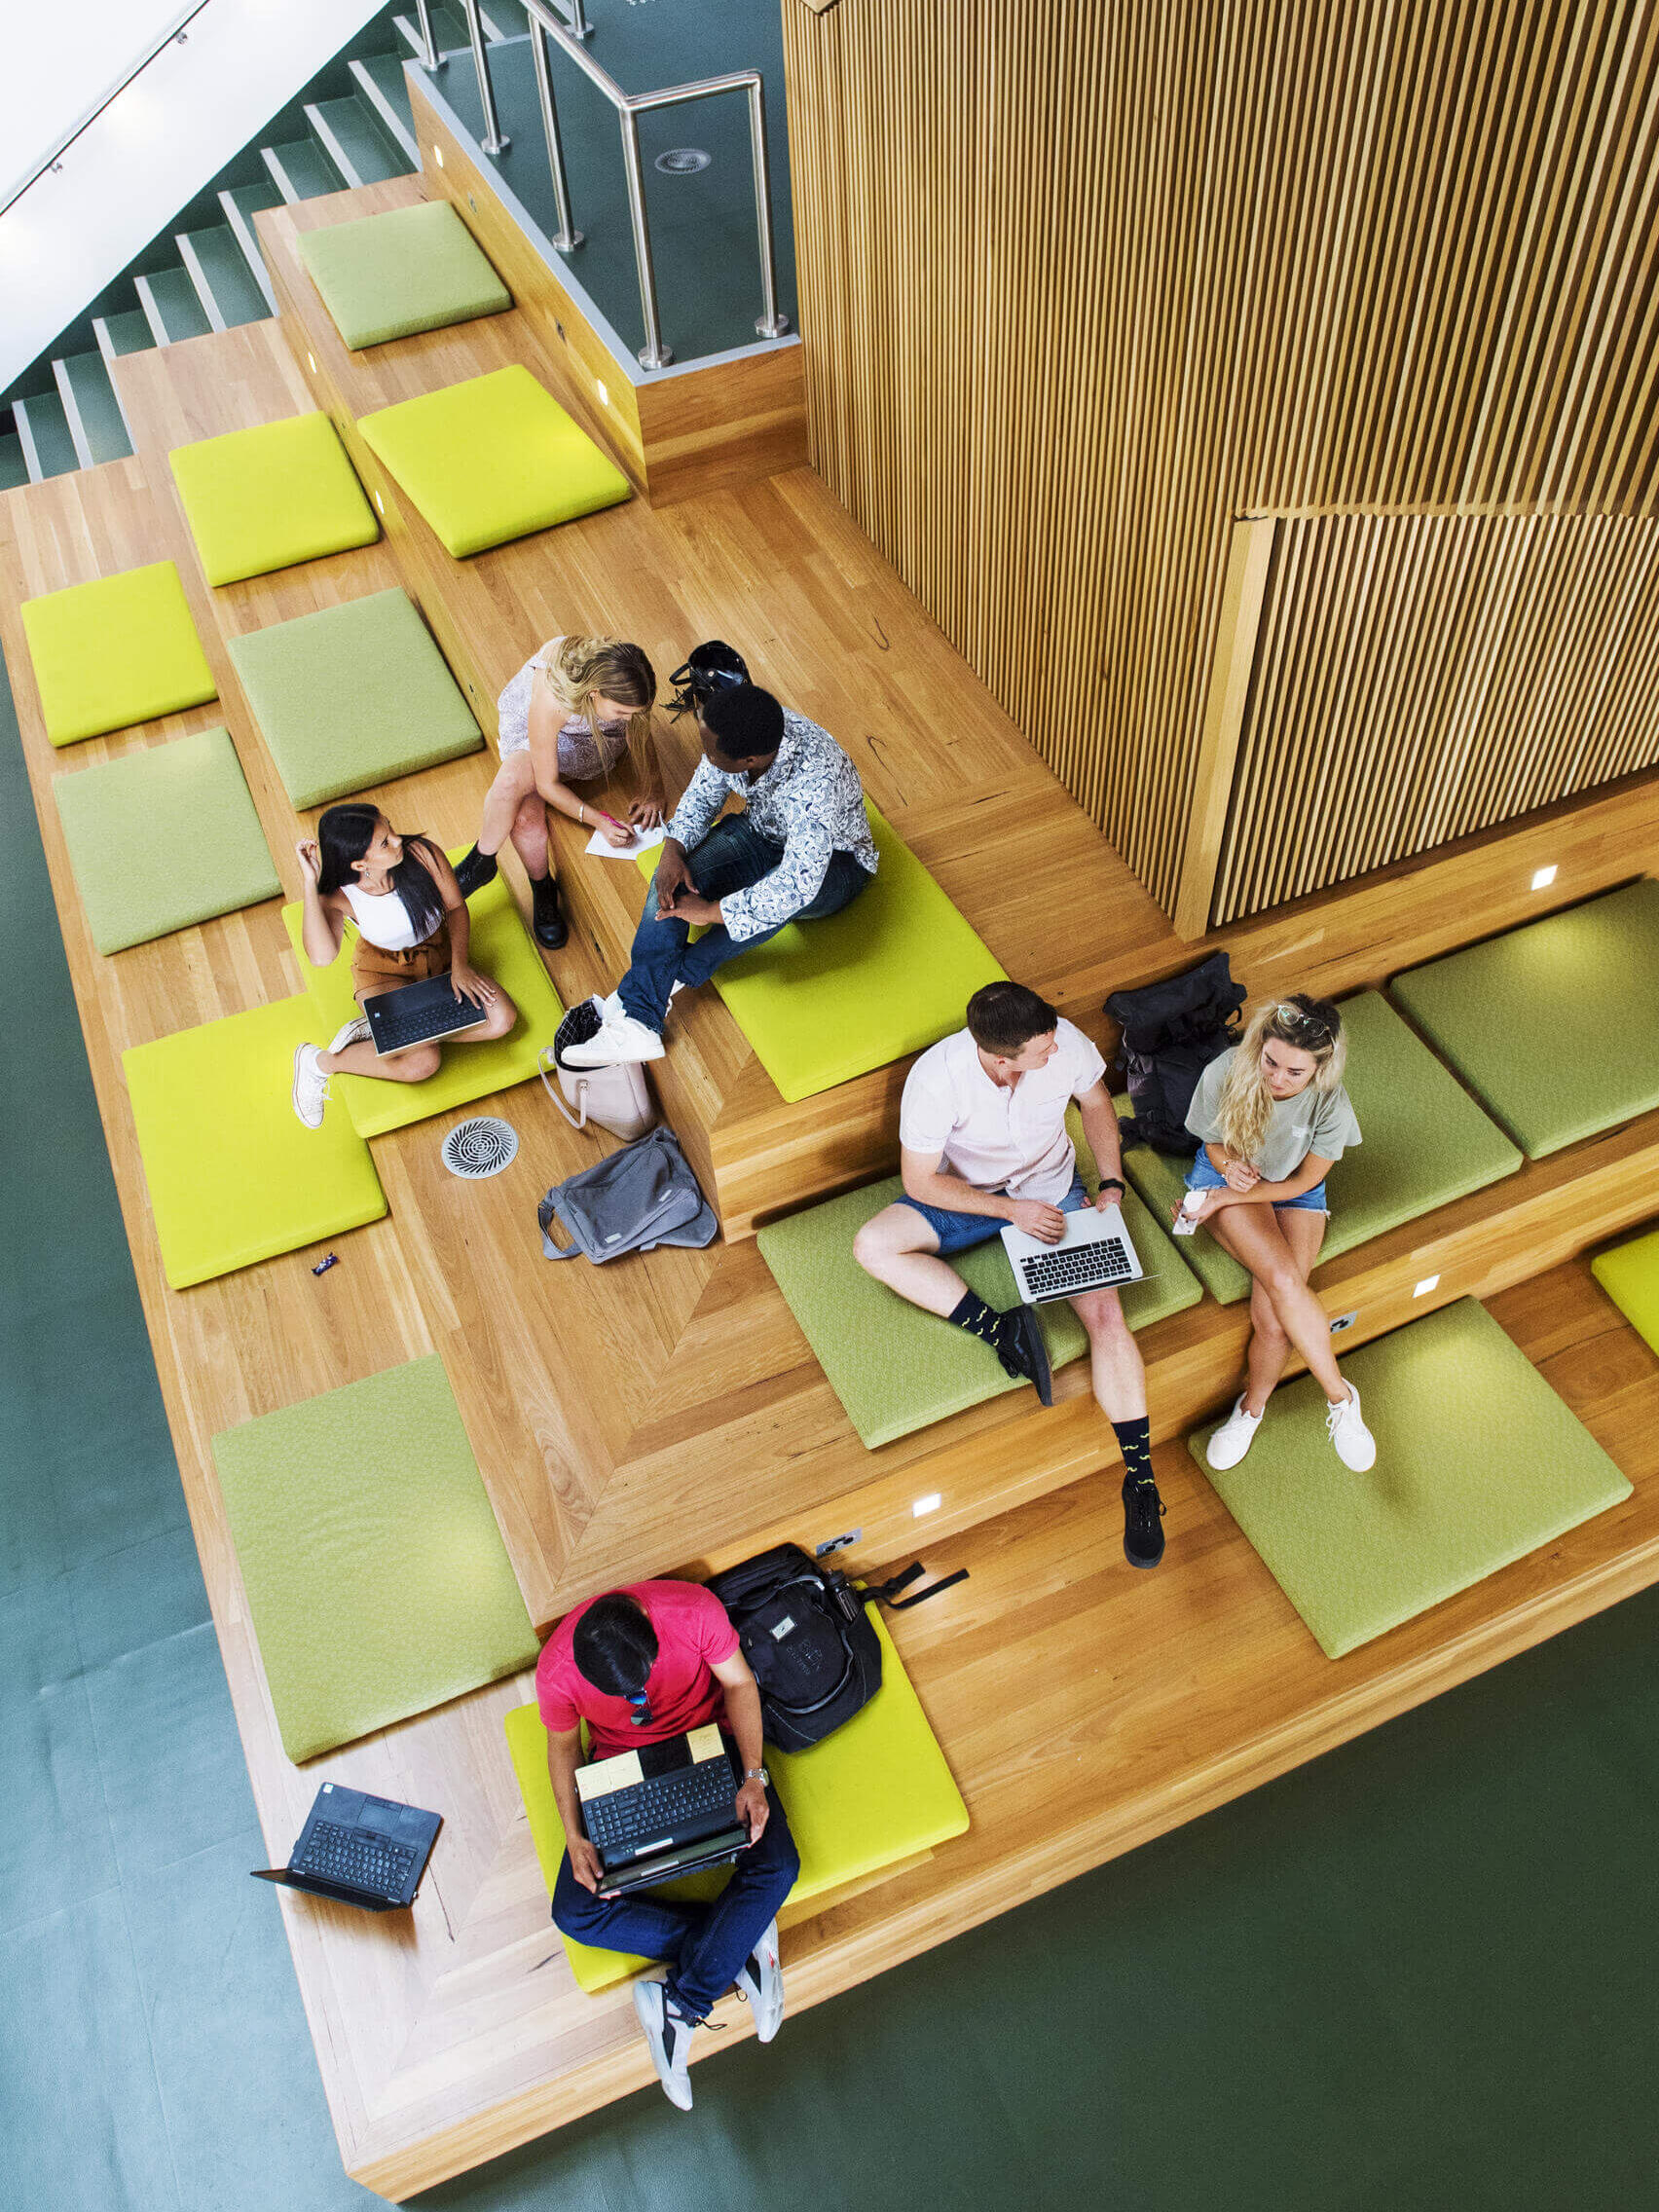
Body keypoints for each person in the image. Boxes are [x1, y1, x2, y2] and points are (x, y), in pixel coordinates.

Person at [854, 980, 1166, 1570]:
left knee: (1105, 1316)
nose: (1057, 1052)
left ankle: (1141, 1480)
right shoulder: (936, 1080)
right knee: (873, 1245)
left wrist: (1110, 1184)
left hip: (1052, 1194)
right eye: (1043, 1050)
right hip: (970, 1198)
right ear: (1002, 1058)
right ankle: (1005, 1332)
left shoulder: (1060, 1040)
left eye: (1053, 1042)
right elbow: (920, 1182)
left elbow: (1097, 1104)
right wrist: (1007, 1211)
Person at [537, 1582, 799, 2112]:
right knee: (574, 1912)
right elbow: (564, 1744)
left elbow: (741, 1685)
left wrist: (753, 1777)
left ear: (650, 1634)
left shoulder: (692, 1611)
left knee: (778, 1866)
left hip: (709, 1744)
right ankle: (735, 1950)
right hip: (618, 1773)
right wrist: (574, 1833)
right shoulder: (555, 1669)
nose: (640, 1705)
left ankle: (683, 2001)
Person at [557, 641, 878, 1068]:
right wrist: (672, 851)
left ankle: (658, 985)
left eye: (711, 754)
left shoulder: (813, 784)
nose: (704, 759)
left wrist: (711, 911)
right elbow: (703, 793)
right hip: (762, 831)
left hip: (837, 868)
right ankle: (640, 1016)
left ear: (748, 759)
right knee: (666, 885)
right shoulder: (737, 731)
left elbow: (798, 885)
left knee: (760, 909)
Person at [1183, 994, 1377, 1473]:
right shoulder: (1226, 1070)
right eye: (1271, 1063)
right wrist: (1230, 1179)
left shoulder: (1331, 1100)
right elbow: (1212, 1143)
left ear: (1319, 1070)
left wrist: (1235, 1200)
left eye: (1295, 1073)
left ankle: (1251, 1409)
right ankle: (1340, 1396)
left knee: (1273, 1314)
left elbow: (1307, 1180)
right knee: (1286, 1284)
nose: (1277, 1078)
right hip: (1226, 1175)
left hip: (1293, 1190)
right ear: (1259, 1047)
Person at [289, 805, 517, 1127]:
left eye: (391, 829)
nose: (398, 840)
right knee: (422, 1063)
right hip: (383, 969)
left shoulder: (423, 854)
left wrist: (460, 965)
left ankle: (385, 1031)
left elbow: (455, 908)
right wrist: (311, 884)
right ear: (360, 864)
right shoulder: (341, 894)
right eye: (385, 842)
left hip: (439, 956)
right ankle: (320, 1062)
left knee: (501, 1020)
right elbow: (322, 957)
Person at [452, 635, 664, 950]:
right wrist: (599, 821)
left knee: (519, 802)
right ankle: (528, 880)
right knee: (514, 788)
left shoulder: (628, 689)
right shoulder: (554, 696)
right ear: (594, 694)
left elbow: (640, 734)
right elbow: (547, 785)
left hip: (593, 737)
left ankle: (488, 864)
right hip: (540, 729)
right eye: (622, 712)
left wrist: (654, 789)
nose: (630, 719)